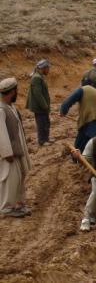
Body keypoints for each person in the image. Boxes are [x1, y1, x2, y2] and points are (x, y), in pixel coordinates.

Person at [0, 78, 32, 218]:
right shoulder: (1, 109)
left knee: (19, 178)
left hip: (17, 151)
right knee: (10, 179)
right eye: (16, 90)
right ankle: (7, 207)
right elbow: (1, 134)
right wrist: (7, 153)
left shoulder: (11, 107)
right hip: (9, 154)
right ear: (12, 91)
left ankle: (19, 204)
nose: (17, 93)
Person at [60, 85, 96, 154]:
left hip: (92, 122)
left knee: (80, 145)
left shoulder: (82, 90)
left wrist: (63, 111)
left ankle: (78, 158)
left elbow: (68, 101)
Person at [26, 59, 52, 146]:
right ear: (43, 68)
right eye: (48, 68)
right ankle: (42, 141)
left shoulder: (40, 76)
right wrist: (45, 105)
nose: (49, 70)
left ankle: (46, 139)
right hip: (39, 106)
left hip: (42, 106)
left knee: (46, 122)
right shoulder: (36, 78)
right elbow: (38, 94)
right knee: (41, 123)